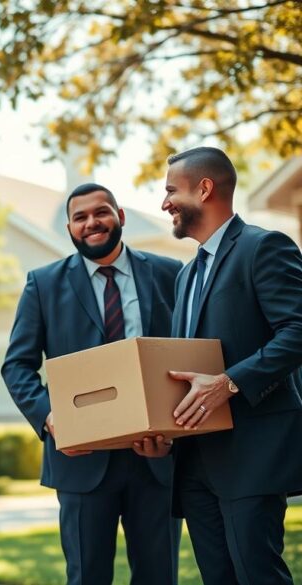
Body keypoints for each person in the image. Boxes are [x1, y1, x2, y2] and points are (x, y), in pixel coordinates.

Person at [1, 183, 183, 585]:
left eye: (100, 212)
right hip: (81, 461)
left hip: (155, 458)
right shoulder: (43, 284)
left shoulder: (170, 274)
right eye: (79, 217)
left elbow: (187, 354)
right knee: (87, 577)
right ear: (69, 228)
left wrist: (174, 431)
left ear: (120, 215)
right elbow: (16, 366)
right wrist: (51, 419)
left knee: (160, 577)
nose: (91, 223)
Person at [161, 146, 302, 584]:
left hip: (252, 456)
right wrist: (161, 429)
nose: (165, 203)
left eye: (171, 191)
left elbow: (298, 330)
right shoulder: (186, 275)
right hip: (195, 462)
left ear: (204, 189)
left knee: (258, 576)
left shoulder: (264, 247)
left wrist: (230, 383)